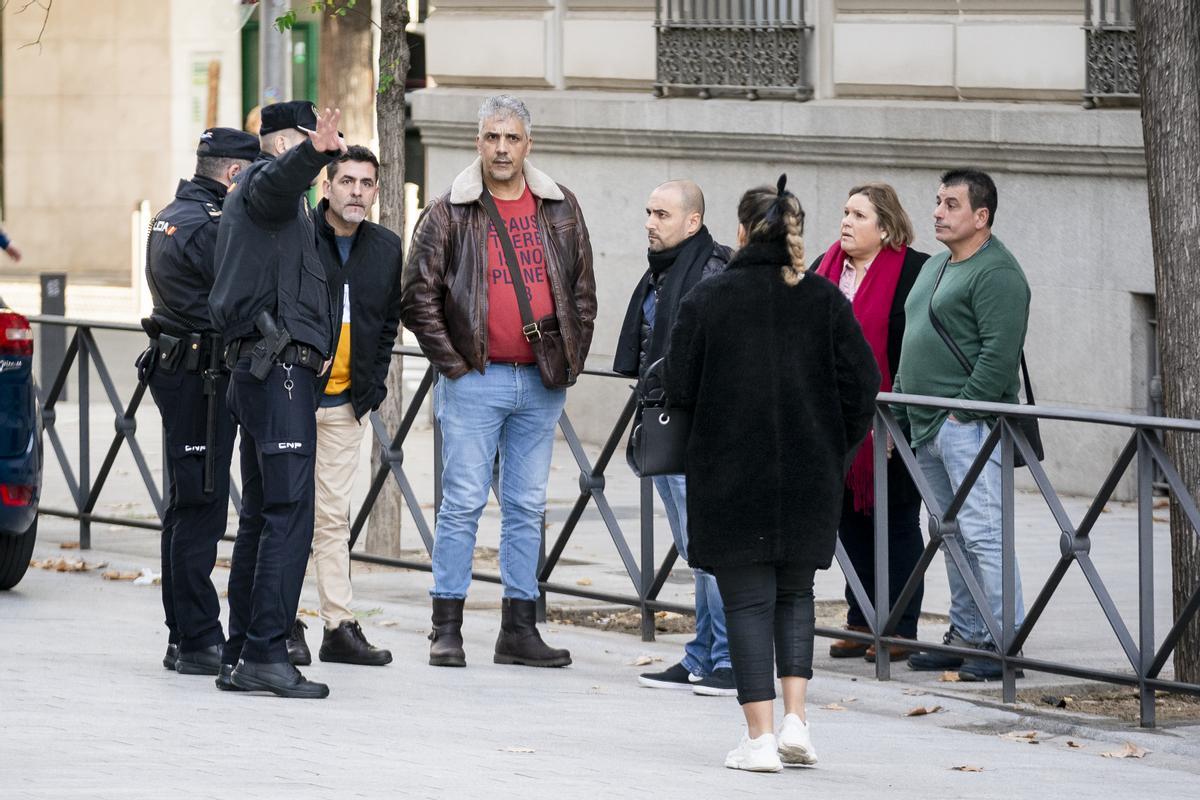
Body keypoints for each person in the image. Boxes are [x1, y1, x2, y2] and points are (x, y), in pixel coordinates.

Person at [666, 175, 879, 772]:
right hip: (809, 474)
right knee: (795, 596)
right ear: (796, 235)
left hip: (730, 474)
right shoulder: (825, 299)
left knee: (747, 603)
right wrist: (835, 446)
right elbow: (862, 386)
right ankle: (796, 723)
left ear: (739, 232)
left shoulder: (707, 299)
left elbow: (678, 386)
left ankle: (759, 740)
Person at [401, 94, 595, 669]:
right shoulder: (448, 211)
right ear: (478, 142)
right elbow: (418, 297)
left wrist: (571, 357)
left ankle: (518, 628)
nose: (502, 148)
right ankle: (447, 627)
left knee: (526, 504)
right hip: (475, 381)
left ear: (527, 144)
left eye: (511, 138)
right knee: (460, 504)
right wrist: (455, 365)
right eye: (492, 138)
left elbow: (582, 289)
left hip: (541, 381)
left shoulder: (559, 206)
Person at [208, 101, 346, 699]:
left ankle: (242, 652)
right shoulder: (267, 187)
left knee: (265, 518)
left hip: (269, 374)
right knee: (290, 515)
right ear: (286, 141)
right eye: (313, 141)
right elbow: (278, 175)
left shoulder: (285, 208)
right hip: (278, 371)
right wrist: (313, 152)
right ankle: (267, 652)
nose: (326, 155)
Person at [893, 168, 1029, 682]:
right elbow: (914, 333)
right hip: (925, 423)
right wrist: (905, 408)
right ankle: (967, 634)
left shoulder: (998, 274)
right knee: (947, 532)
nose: (937, 212)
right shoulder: (936, 266)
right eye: (937, 202)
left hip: (968, 425)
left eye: (951, 204)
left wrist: (962, 410)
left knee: (983, 533)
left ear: (981, 216)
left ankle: (1003, 643)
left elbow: (998, 356)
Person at [141, 127, 258, 675]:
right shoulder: (212, 227)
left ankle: (180, 635)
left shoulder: (169, 214)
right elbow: (239, 295)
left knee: (186, 504)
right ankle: (197, 639)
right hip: (201, 376)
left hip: (179, 370)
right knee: (201, 508)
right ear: (235, 175)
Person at [613, 179, 735, 696]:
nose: (649, 222)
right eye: (648, 212)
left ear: (692, 221)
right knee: (694, 549)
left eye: (662, 214)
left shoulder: (712, 272)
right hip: (667, 423)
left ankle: (731, 659)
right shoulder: (661, 272)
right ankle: (702, 654)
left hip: (700, 429)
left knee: (710, 549)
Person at [284, 145, 402, 668]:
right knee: (285, 513)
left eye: (367, 183)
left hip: (345, 404)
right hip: (290, 397)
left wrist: (370, 390)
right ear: (326, 187)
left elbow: (387, 323)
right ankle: (282, 622)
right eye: (347, 181)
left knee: (332, 517)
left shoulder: (385, 247)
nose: (357, 191)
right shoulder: (299, 235)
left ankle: (339, 625)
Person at [813, 183, 927, 662]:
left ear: (885, 227)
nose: (846, 222)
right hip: (835, 421)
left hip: (892, 420)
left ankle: (900, 624)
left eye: (858, 215)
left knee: (898, 520)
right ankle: (861, 620)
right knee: (847, 520)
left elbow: (917, 346)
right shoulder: (824, 270)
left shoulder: (916, 272)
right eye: (844, 212)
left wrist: (893, 417)